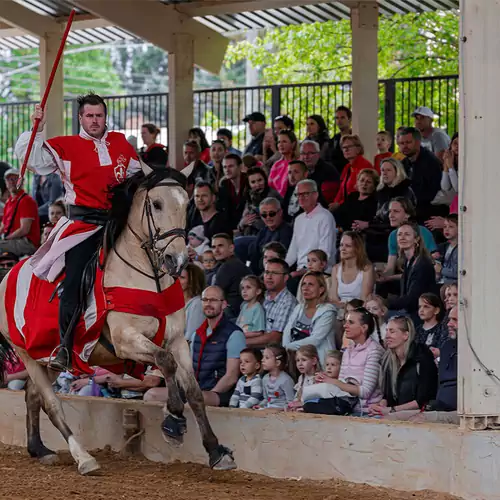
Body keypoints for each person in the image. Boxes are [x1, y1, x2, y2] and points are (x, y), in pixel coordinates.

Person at [15, 93, 141, 371]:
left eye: (99, 115)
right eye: (89, 116)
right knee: (75, 281)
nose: (95, 120)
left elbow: (139, 174)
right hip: (83, 227)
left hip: (119, 222)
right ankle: (64, 346)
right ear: (80, 118)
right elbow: (34, 161)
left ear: (105, 117)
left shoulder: (120, 142)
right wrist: (36, 127)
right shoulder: (65, 146)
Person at [315, 308, 384, 414]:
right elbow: (342, 383)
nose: (345, 325)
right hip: (347, 408)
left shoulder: (374, 351)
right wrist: (325, 380)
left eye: (350, 322)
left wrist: (333, 381)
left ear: (364, 328)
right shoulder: (348, 350)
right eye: (346, 321)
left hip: (368, 412)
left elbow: (365, 392)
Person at [368, 315, 437, 416]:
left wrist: (392, 410)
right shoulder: (387, 360)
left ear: (406, 335)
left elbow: (422, 400)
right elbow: (388, 397)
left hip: (419, 414)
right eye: (386, 331)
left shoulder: (422, 356)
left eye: (392, 331)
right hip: (396, 413)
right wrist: (380, 406)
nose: (387, 336)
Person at [190, 286, 246, 407]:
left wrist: (210, 394)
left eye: (214, 300)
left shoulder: (234, 334)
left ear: (224, 304)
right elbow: (189, 369)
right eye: (205, 300)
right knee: (152, 395)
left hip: (220, 394)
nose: (208, 303)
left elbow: (231, 377)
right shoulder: (196, 334)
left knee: (197, 399)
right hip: (196, 391)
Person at [286, 179, 337, 281]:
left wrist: (301, 272)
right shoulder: (299, 219)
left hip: (320, 272)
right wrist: (281, 268)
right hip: (301, 271)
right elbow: (293, 250)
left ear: (315, 195)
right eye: (298, 195)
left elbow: (324, 254)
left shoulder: (325, 217)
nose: (301, 198)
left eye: (305, 194)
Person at [387, 222, 437, 323]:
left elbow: (412, 299)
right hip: (410, 310)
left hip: (419, 314)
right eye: (399, 234)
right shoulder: (409, 260)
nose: (402, 237)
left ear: (416, 239)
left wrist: (385, 303)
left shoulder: (422, 263)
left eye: (407, 234)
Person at [283, 272, 336, 367]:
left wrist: (287, 347)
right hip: (295, 358)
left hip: (318, 362)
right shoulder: (299, 308)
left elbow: (315, 340)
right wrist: (286, 349)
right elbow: (287, 331)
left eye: (310, 284)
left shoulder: (328, 311)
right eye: (304, 284)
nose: (305, 288)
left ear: (321, 290)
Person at [246, 258, 297, 348]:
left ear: (285, 278)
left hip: (271, 354)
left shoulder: (288, 302)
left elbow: (275, 338)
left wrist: (242, 342)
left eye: (274, 273)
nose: (269, 277)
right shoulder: (259, 295)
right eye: (267, 272)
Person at [398, 127, 442, 223]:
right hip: (409, 211)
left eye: (408, 142)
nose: (404, 146)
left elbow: (432, 192)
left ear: (418, 142)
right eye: (401, 143)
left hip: (427, 214)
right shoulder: (403, 163)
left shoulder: (431, 162)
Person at [245, 197, 293, 274]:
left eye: (272, 214)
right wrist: (247, 267)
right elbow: (252, 254)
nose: (268, 218)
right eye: (264, 215)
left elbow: (279, 258)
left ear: (280, 212)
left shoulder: (287, 232)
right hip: (258, 272)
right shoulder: (263, 231)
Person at [330, 231, 375, 311]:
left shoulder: (366, 269)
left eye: (348, 246)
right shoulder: (336, 269)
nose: (343, 249)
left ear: (357, 249)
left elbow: (364, 299)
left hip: (358, 310)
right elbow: (333, 299)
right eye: (341, 245)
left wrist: (348, 308)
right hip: (338, 310)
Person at [0, 169, 40, 256]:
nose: (12, 182)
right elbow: (3, 227)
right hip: (14, 241)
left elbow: (24, 230)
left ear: (22, 182)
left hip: (27, 243)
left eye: (15, 179)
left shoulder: (26, 200)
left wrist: (6, 238)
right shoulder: (9, 202)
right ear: (6, 183)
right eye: (9, 179)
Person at [212, 233, 251, 319]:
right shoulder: (235, 262)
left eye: (220, 246)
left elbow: (213, 294)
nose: (216, 250)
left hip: (232, 314)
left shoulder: (228, 266)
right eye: (213, 247)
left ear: (231, 248)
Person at [331, 135, 375, 209]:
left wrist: (339, 204)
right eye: (344, 148)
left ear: (358, 149)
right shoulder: (347, 167)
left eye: (349, 147)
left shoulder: (364, 166)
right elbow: (341, 190)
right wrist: (335, 203)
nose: (346, 150)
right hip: (346, 206)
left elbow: (358, 192)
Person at [237, 167, 281, 237]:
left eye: (260, 180)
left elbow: (270, 224)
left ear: (265, 180)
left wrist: (251, 222)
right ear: (249, 184)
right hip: (248, 233)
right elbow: (244, 220)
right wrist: (241, 224)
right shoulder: (250, 196)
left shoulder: (272, 196)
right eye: (253, 182)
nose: (257, 185)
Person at [300, 140, 340, 205]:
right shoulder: (298, 169)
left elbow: (327, 199)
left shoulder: (328, 171)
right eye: (303, 153)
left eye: (310, 153)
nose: (306, 157)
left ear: (318, 154)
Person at [258, 344, 295, 410]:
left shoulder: (286, 380)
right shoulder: (265, 378)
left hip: (282, 413)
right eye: (263, 357)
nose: (262, 360)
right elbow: (266, 399)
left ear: (277, 362)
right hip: (268, 409)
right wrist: (261, 405)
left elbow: (291, 403)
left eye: (267, 358)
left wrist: (276, 409)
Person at [218, 153, 248, 230]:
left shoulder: (249, 181)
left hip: (247, 224)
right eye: (225, 167)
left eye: (231, 166)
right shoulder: (224, 185)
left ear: (240, 166)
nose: (227, 170)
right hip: (231, 227)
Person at [287, 344, 321, 410]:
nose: (300, 364)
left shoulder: (319, 378)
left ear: (314, 361)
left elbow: (317, 400)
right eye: (297, 360)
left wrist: (302, 404)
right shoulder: (301, 378)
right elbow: (298, 397)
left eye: (304, 360)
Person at [415, 293, 448, 358]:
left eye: (426, 306)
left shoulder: (442, 329)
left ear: (436, 310)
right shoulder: (417, 330)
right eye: (420, 307)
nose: (421, 310)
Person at [179, 263, 206, 340]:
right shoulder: (175, 302)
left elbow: (191, 335)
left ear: (192, 281)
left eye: (182, 277)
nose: (177, 280)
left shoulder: (197, 304)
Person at [268, 130, 298, 197]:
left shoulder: (299, 163)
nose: (280, 145)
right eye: (279, 142)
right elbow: (270, 185)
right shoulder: (276, 165)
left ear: (293, 144)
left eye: (284, 141)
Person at [324, 106, 352, 174]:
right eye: (337, 118)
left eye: (342, 117)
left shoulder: (354, 137)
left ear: (349, 119)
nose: (339, 120)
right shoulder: (335, 139)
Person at [436, 214, 458, 285]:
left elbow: (457, 272)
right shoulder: (443, 247)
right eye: (444, 226)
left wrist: (441, 270)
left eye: (451, 227)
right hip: (441, 281)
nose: (446, 229)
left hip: (452, 284)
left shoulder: (460, 249)